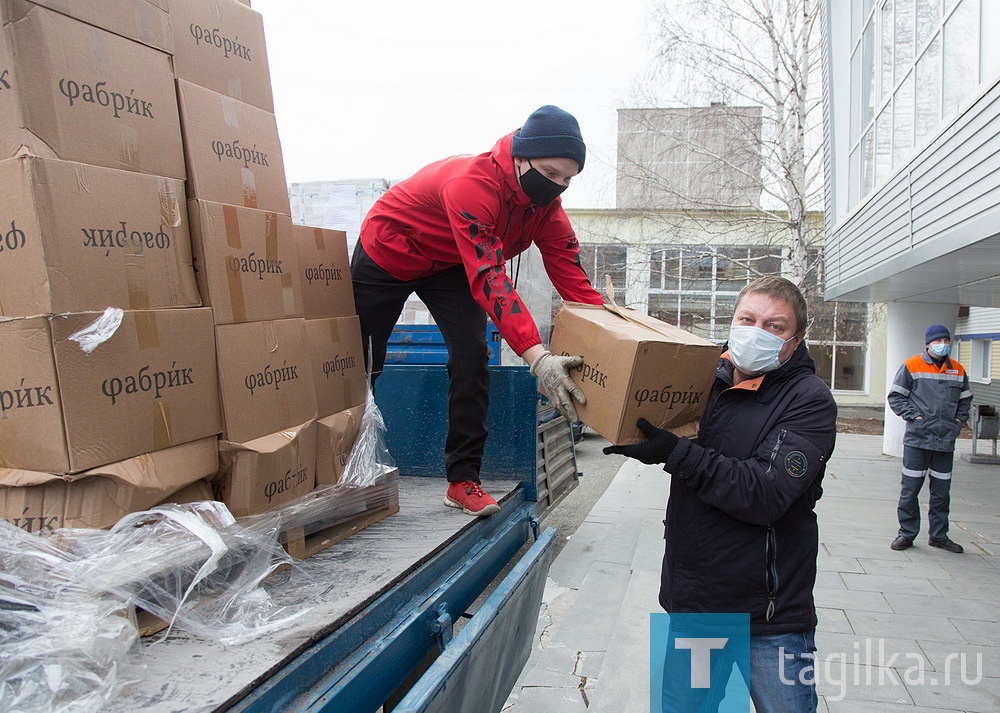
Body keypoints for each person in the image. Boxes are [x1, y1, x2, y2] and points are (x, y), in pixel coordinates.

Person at [351, 105, 603, 517]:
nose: (556, 186)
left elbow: (572, 277)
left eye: (567, 179)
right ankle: (343, 467)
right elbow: (490, 276)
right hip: (391, 250)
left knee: (471, 356)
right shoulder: (471, 185)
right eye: (550, 172)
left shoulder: (545, 209)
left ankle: (462, 481)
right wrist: (537, 358)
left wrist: (612, 333)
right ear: (521, 156)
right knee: (363, 363)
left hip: (449, 263)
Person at [604, 276, 837, 712]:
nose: (756, 331)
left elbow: (764, 491)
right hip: (696, 608)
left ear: (796, 339)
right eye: (747, 319)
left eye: (774, 325)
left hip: (769, 618)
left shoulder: (810, 400)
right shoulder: (702, 381)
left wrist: (675, 453)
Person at [887, 324, 971, 554]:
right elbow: (896, 397)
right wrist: (915, 417)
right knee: (910, 489)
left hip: (945, 441)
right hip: (918, 439)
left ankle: (939, 536)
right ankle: (906, 533)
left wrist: (958, 422)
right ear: (928, 343)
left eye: (946, 340)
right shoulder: (912, 366)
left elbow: (965, 400)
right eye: (938, 340)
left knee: (942, 492)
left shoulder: (958, 370)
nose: (943, 344)